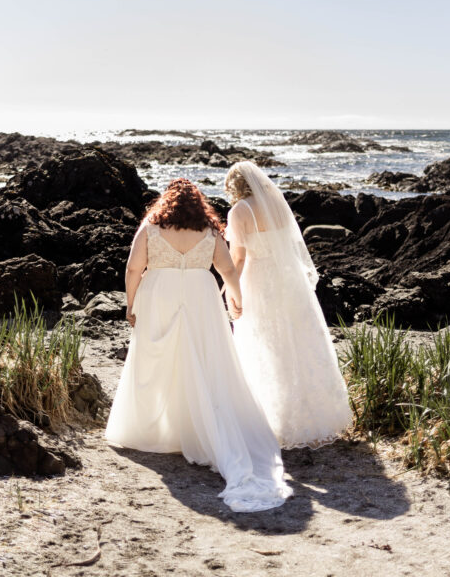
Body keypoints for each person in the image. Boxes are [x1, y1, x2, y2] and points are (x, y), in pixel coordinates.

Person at [105, 177, 292, 513]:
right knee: (205, 362)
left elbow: (134, 267)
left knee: (156, 360)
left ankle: (160, 429)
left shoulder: (150, 228)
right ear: (198, 205)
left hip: (159, 292)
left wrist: (130, 303)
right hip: (200, 296)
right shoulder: (209, 231)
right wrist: (236, 300)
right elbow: (227, 271)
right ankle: (192, 429)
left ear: (166, 203)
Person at [224, 161, 353, 449]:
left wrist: (229, 290)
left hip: (259, 280)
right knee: (300, 342)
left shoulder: (239, 212)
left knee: (267, 345)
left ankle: (273, 420)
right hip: (289, 280)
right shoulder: (277, 204)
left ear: (236, 185)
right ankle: (318, 417)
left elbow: (239, 259)